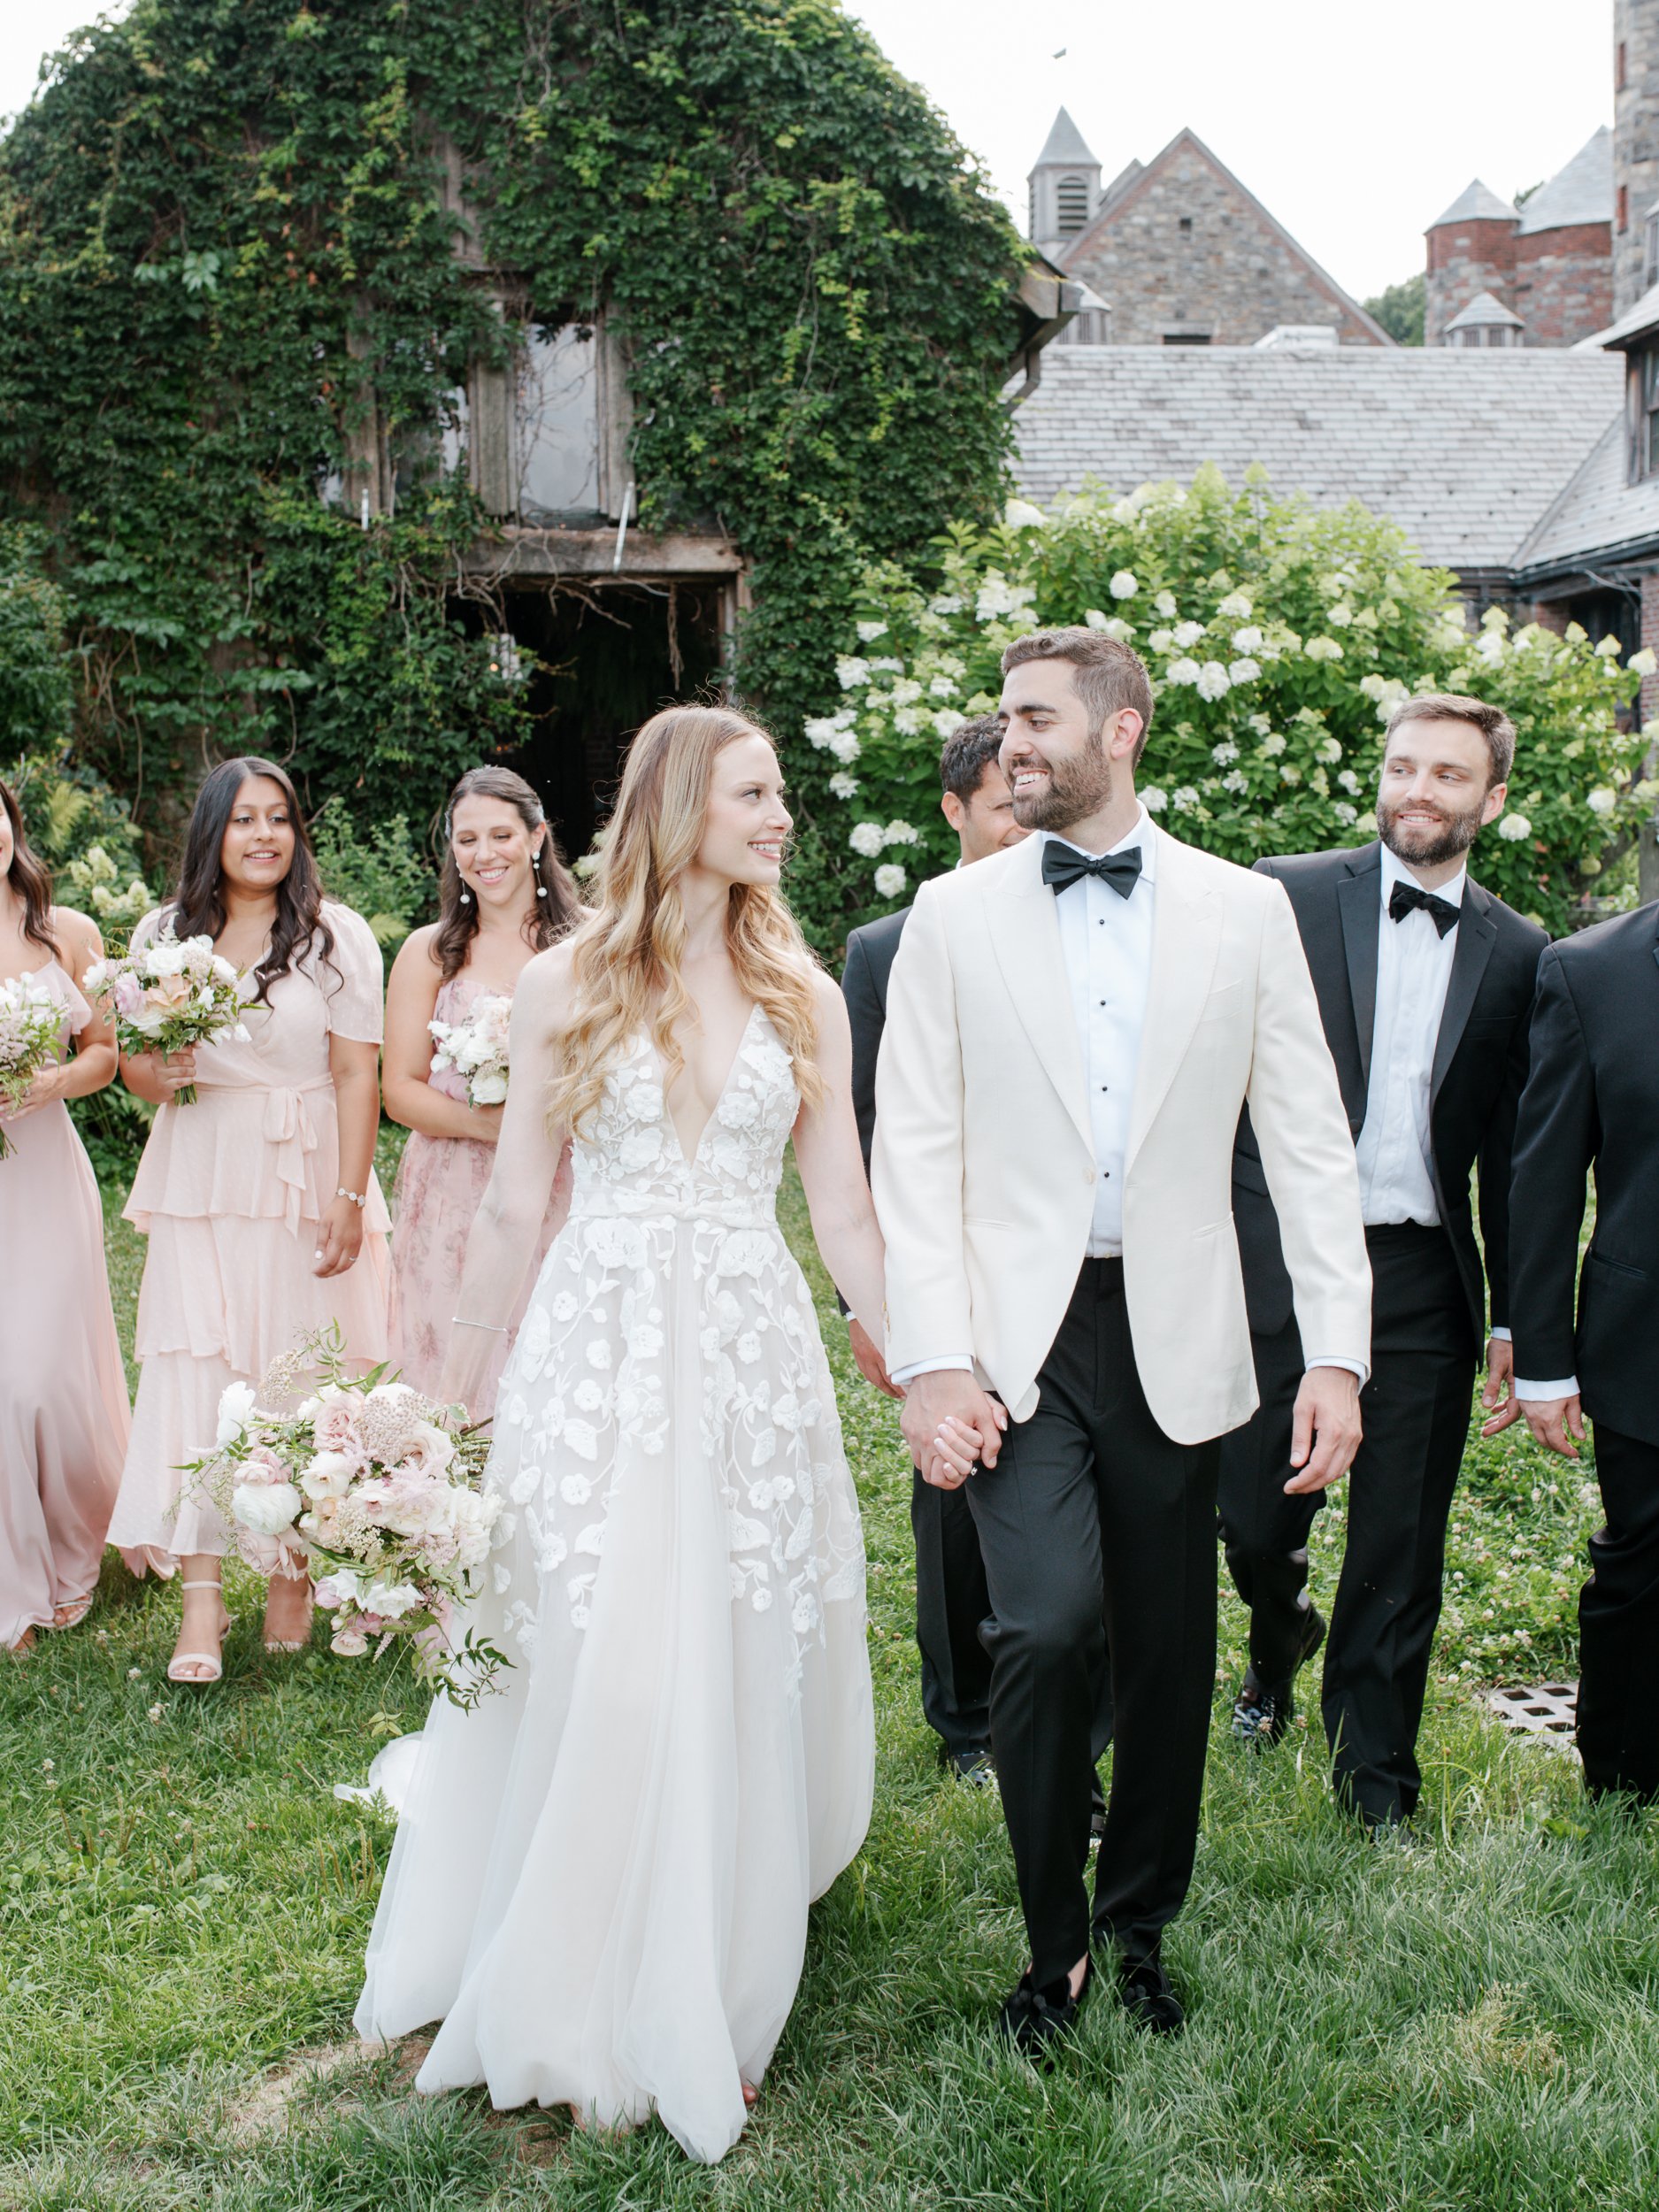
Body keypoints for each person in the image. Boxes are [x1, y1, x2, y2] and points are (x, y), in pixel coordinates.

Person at [355, 704, 884, 2163]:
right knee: (600, 1643)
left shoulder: (804, 991)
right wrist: (451, 1405)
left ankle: (709, 1961)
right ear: (679, 808)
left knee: (729, 1631)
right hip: (597, 1346)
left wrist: (917, 1347)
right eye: (758, 793)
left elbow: (839, 1203)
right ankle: (576, 1947)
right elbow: (521, 1202)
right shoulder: (568, 984)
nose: (783, 817)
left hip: (749, 1349)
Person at [873, 627, 1370, 2048]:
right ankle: (1049, 1950)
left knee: (1164, 1651)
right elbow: (912, 1153)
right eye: (1004, 718)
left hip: (1177, 1333)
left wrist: (1332, 1354)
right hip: (1014, 1343)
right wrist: (933, 1358)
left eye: (1034, 718)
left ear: (1120, 731)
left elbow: (1308, 1147)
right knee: (1039, 1626)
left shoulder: (1241, 912)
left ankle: (1135, 1926)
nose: (1008, 740)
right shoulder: (948, 916)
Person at [1217, 695, 1546, 1825]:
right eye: (1404, 766)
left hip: (1416, 1276)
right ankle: (1278, 1639)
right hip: (1276, 1259)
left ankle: (1375, 1779)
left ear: (1490, 799)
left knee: (1399, 1536)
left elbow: (1515, 1156)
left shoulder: (1520, 952)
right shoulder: (1285, 893)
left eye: (1448, 775)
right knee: (1255, 1517)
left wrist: (1517, 1319)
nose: (1417, 790)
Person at [106, 758, 391, 1684]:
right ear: (213, 834)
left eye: (279, 819)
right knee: (197, 1365)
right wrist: (165, 1066)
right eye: (243, 820)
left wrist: (348, 1197)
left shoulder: (335, 935)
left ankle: (292, 1572)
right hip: (201, 1167)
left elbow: (357, 1074)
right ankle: (201, 1599)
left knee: (297, 1365)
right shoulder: (162, 932)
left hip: (306, 1165)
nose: (263, 834)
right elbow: (140, 1073)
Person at [841, 715, 1025, 1780]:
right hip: (937, 1267)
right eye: (1003, 806)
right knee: (951, 1494)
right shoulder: (882, 950)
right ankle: (964, 1721)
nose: (1020, 826)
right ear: (955, 811)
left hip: (1061, 1266)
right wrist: (872, 1309)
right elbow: (859, 1140)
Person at [1509, 895, 1659, 1800]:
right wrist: (1544, 1359)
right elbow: (1545, 1182)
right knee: (1641, 1562)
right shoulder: (1590, 970)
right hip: (1647, 1336)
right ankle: (1624, 1775)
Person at [384, 765, 579, 1399]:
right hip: (451, 1186)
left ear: (536, 838)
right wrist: (487, 1126)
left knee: (554, 1355)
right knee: (454, 1361)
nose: (484, 854)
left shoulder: (591, 944)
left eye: (501, 834)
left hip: (566, 1181)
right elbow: (400, 1089)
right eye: (467, 839)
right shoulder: (430, 951)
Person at [0, 776, 134, 1651]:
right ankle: (14, 1577)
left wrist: (47, 1080)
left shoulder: (65, 932)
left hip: (43, 1174)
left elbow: (108, 1053)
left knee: (38, 1376)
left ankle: (75, 1545)